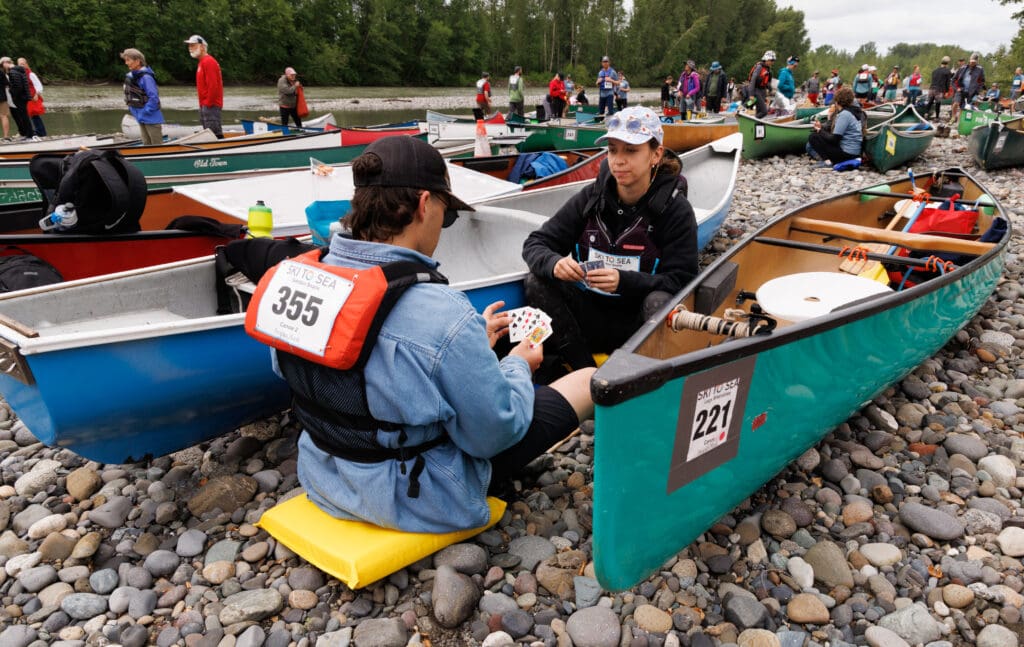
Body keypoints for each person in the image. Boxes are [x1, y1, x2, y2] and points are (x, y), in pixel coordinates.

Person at [266, 135, 594, 533]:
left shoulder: (300, 280)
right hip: (415, 497)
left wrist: (465, 344)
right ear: (424, 205)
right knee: (586, 380)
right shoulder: (442, 312)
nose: (444, 224)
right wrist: (517, 366)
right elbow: (494, 434)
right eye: (446, 213)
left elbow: (330, 369)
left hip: (324, 474)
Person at [521, 106, 698, 372]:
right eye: (613, 150)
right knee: (536, 280)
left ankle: (638, 374)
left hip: (638, 321)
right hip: (588, 318)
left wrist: (623, 281)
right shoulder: (591, 198)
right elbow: (535, 244)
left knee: (660, 301)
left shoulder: (676, 210)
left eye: (631, 150)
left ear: (656, 154)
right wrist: (554, 263)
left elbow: (683, 279)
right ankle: (583, 371)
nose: (618, 160)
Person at [808, 87, 863, 167]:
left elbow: (834, 140)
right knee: (819, 135)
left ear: (837, 101)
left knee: (813, 137)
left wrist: (820, 130)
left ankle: (827, 162)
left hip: (847, 154)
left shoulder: (844, 114)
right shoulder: (852, 112)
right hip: (854, 152)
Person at [121, 48, 165, 146]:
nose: (126, 63)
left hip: (151, 117)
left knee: (157, 146)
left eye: (128, 60)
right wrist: (137, 113)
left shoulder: (146, 77)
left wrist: (146, 111)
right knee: (146, 144)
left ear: (137, 61)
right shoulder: (133, 77)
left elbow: (153, 97)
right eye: (125, 60)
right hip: (141, 116)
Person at [185, 35, 223, 138]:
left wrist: (208, 103)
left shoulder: (209, 62)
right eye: (189, 46)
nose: (190, 48)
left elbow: (213, 86)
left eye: (193, 45)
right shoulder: (202, 62)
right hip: (205, 106)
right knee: (208, 134)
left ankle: (220, 152)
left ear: (201, 46)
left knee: (214, 135)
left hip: (211, 105)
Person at [2, 58, 32, 138]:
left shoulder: (13, 72)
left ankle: (29, 135)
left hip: (20, 97)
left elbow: (17, 86)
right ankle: (27, 133)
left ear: (6, 63)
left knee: (24, 116)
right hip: (23, 96)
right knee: (23, 115)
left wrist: (11, 92)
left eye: (2, 64)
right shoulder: (18, 70)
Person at [18, 58, 45, 137]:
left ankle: (41, 132)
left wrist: (37, 94)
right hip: (26, 97)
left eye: (23, 64)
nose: (22, 65)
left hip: (33, 96)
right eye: (20, 64)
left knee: (34, 114)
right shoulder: (19, 74)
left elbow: (38, 85)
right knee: (30, 115)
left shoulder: (31, 74)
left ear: (26, 64)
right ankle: (36, 131)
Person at [746, 51, 774, 118]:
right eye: (771, 60)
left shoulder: (768, 69)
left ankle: (756, 125)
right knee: (764, 112)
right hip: (756, 91)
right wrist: (751, 94)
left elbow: (767, 83)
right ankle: (752, 121)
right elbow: (753, 80)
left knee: (759, 111)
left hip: (762, 91)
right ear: (767, 59)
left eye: (773, 61)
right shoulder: (759, 67)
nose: (773, 62)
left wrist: (770, 92)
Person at [925, 56, 952, 120]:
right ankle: (937, 117)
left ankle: (926, 113)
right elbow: (948, 83)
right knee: (938, 103)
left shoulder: (934, 71)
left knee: (930, 102)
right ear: (947, 64)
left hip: (931, 88)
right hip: (939, 89)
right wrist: (947, 91)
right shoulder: (947, 71)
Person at [0, 59, 10, 139]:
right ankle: (6, 136)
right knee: (4, 116)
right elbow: (7, 84)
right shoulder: (1, 72)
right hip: (2, 97)